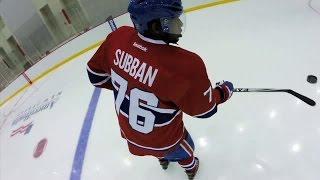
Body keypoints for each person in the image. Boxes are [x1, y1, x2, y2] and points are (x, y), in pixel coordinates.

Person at [87, 0, 234, 179]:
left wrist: (130, 85)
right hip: (165, 140)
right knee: (186, 151)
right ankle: (191, 167)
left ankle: (162, 159)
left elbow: (95, 75)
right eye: (172, 20)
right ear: (155, 26)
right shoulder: (186, 66)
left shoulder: (117, 38)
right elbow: (205, 110)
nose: (179, 24)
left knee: (157, 149)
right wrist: (223, 92)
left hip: (131, 135)